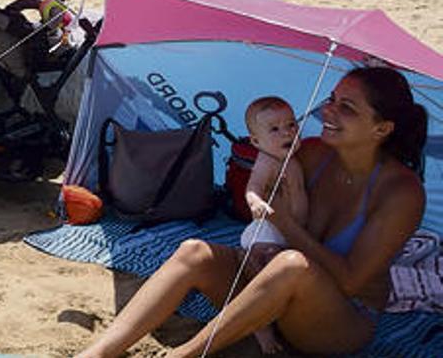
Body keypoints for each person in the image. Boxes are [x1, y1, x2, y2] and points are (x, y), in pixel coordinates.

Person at [77, 67, 427, 358]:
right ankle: (98, 353)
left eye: (347, 107)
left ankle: (182, 356)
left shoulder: (401, 192)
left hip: (337, 323)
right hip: (273, 296)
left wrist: (283, 222)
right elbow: (260, 194)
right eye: (331, 99)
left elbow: (350, 281)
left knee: (292, 266)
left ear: (382, 129)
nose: (328, 111)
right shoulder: (312, 153)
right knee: (194, 252)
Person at [237, 96, 304, 354]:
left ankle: (275, 317)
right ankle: (261, 329)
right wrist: (255, 202)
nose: (286, 133)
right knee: (262, 272)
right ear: (256, 142)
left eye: (291, 125)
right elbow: (253, 186)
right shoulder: (267, 161)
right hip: (265, 233)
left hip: (287, 232)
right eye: (274, 129)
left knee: (277, 276)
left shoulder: (295, 158)